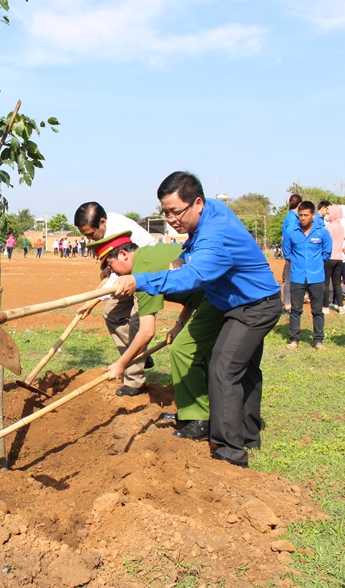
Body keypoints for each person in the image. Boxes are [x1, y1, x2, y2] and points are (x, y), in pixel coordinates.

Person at [112, 172, 281, 468]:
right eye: (165, 212)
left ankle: (230, 451)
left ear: (198, 203)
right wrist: (185, 253)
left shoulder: (216, 233)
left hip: (254, 305)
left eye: (176, 211)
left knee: (224, 368)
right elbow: (194, 250)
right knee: (241, 368)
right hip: (229, 301)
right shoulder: (211, 211)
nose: (171, 219)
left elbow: (195, 276)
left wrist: (140, 281)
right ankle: (246, 433)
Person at [88, 233, 223, 441]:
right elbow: (192, 290)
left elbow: (147, 331)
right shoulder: (150, 255)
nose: (112, 272)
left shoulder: (142, 270)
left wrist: (121, 364)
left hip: (219, 297)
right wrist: (180, 323)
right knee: (197, 353)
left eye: (111, 265)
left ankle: (200, 421)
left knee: (183, 351)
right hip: (211, 295)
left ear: (124, 254)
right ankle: (194, 413)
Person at [74, 202, 158, 397]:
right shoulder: (106, 227)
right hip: (127, 273)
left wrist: (93, 300)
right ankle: (139, 355)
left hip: (147, 272)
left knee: (139, 323)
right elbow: (115, 268)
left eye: (90, 234)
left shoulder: (118, 230)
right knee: (112, 313)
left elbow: (117, 275)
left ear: (102, 222)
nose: (89, 239)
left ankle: (134, 381)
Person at [283, 201, 332, 350]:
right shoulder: (291, 232)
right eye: (300, 215)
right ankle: (294, 339)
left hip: (316, 277)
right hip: (297, 277)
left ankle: (318, 340)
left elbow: (326, 253)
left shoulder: (322, 232)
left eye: (306, 215)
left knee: (317, 310)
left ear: (313, 215)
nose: (303, 218)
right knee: (295, 310)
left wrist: (314, 264)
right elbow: (287, 253)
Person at [280, 194, 302, 314]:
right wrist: (291, 254)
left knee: (290, 278)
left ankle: (288, 303)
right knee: (289, 279)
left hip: (290, 252)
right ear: (299, 204)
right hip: (293, 253)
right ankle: (287, 304)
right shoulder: (293, 219)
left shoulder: (289, 217)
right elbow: (291, 237)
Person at [323, 203, 345, 315]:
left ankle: (325, 306)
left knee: (326, 283)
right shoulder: (341, 227)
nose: (327, 215)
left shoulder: (329, 227)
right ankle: (341, 306)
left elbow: (325, 242)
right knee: (337, 283)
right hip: (339, 258)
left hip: (329, 258)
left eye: (328, 213)